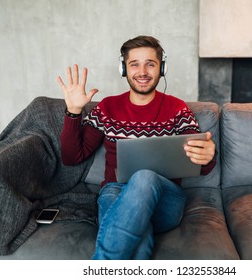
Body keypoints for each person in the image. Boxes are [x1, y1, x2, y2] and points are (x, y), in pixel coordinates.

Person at [57, 35, 216, 259]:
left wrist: (208, 155)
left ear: (162, 68)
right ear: (124, 68)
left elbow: (200, 160)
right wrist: (73, 111)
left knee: (144, 177)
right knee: (137, 239)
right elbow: (72, 157)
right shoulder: (107, 108)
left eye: (150, 64)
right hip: (116, 192)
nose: (142, 72)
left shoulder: (177, 108)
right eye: (134, 64)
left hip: (166, 198)